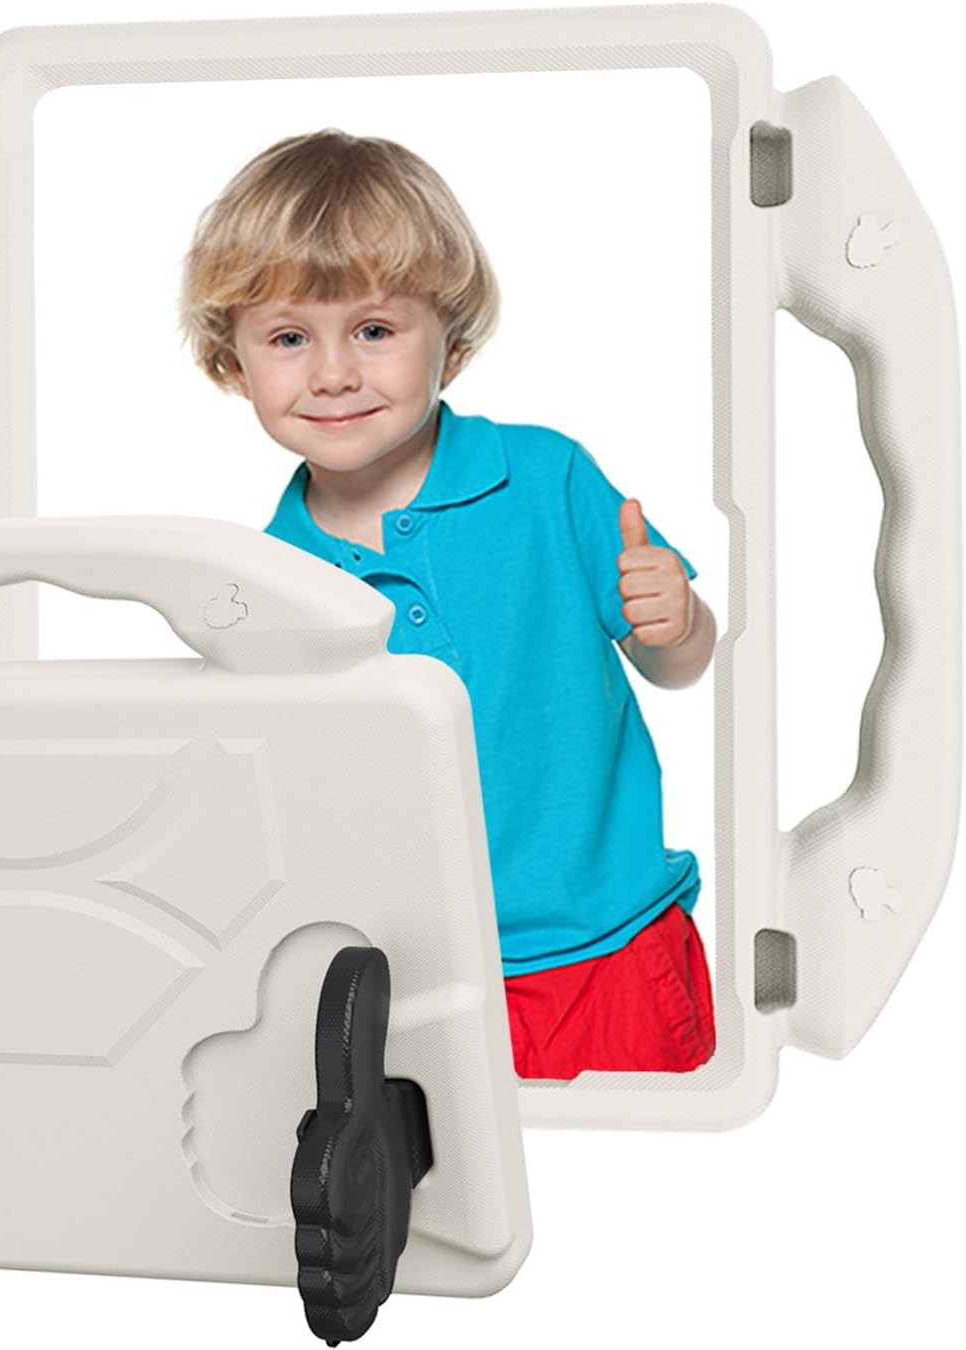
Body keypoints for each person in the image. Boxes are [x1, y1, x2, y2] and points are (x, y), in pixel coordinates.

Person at [178, 129, 716, 1079]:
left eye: (374, 331)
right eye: (290, 338)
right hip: (407, 984)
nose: (334, 374)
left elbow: (678, 665)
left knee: (644, 1173)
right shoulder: (266, 582)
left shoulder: (546, 476)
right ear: (233, 364)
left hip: (609, 949)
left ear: (452, 346)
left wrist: (676, 622)